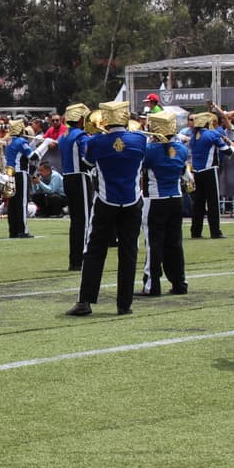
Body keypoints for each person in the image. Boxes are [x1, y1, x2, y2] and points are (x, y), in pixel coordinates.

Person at [66, 101, 147, 317]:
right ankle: (124, 304)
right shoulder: (140, 139)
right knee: (129, 252)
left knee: (94, 251)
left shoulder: (97, 142)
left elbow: (88, 163)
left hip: (105, 200)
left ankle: (85, 301)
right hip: (132, 200)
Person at [138, 112, 190, 297]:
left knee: (154, 243)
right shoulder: (182, 149)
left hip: (155, 200)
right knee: (174, 243)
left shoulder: (150, 150)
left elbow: (141, 162)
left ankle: (152, 285)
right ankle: (179, 282)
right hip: (176, 198)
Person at [54, 103, 92, 271]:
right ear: (80, 119)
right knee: (83, 219)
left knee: (76, 220)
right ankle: (81, 258)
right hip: (80, 178)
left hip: (68, 178)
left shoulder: (63, 136)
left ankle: (74, 259)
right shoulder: (81, 136)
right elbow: (87, 160)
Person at [188, 112, 232, 239]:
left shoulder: (193, 135)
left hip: (197, 172)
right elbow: (227, 151)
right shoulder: (212, 134)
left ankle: (195, 231)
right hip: (209, 171)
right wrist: (232, 146)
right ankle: (215, 231)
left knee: (198, 204)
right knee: (213, 203)